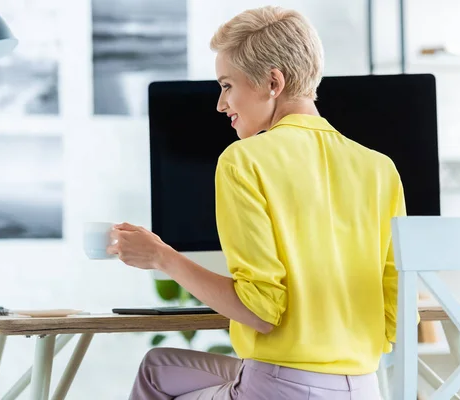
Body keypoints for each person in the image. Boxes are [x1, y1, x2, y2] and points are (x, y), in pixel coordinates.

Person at [107, 5, 406, 400]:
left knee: (161, 375)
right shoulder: (380, 168)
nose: (220, 103)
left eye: (227, 85)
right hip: (366, 388)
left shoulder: (243, 159)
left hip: (282, 388)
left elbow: (262, 310)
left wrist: (162, 257)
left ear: (273, 82)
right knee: (158, 367)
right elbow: (398, 311)